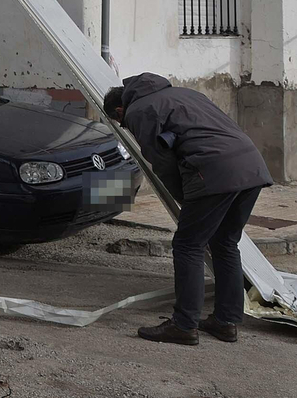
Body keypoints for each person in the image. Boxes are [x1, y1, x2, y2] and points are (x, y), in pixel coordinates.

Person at [104, 74, 273, 345]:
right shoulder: (186, 94)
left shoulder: (139, 111)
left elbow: (161, 162)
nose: (125, 125)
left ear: (120, 110)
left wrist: (185, 197)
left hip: (213, 171)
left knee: (187, 245)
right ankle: (225, 322)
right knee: (225, 243)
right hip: (251, 166)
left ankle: (184, 325)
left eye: (120, 122)